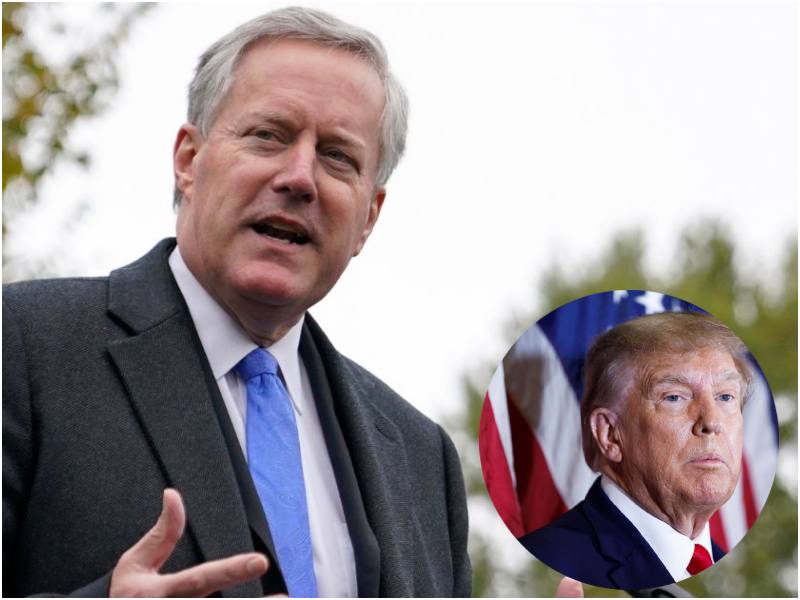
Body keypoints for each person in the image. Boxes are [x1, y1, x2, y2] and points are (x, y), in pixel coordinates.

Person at [2, 7, 471, 597]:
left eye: (337, 157)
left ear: (368, 218)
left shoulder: (424, 459)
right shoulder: (21, 345)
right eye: (268, 135)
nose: (300, 177)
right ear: (188, 161)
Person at [520, 311, 750, 589]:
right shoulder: (554, 560)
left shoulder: (731, 568)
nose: (711, 422)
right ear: (610, 435)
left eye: (725, 396)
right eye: (674, 397)